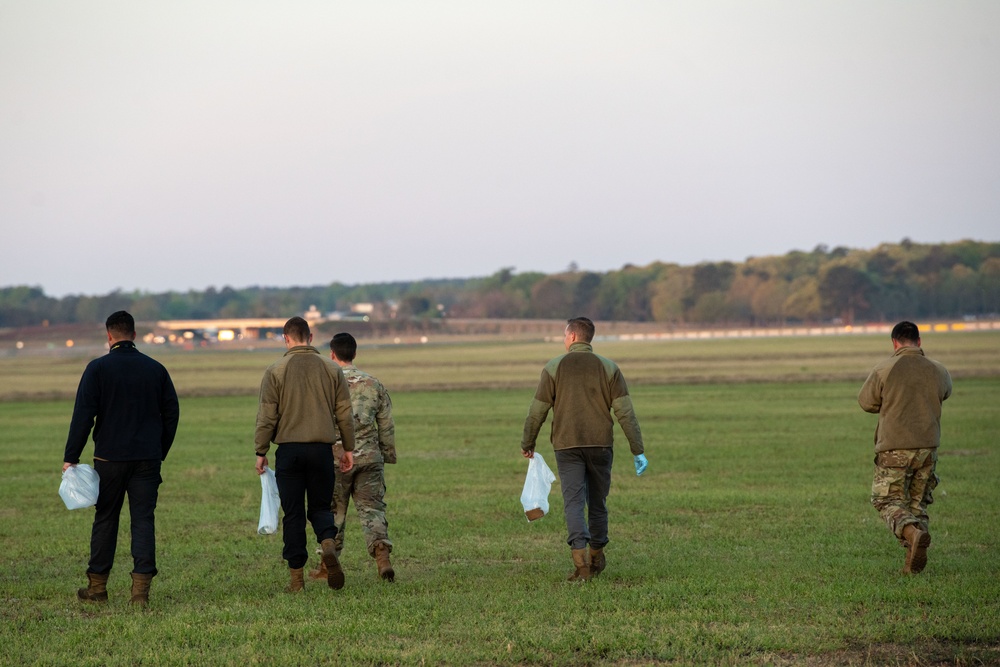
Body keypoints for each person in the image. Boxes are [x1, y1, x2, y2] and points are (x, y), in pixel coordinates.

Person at [63, 310, 180, 606]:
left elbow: (83, 416)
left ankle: (98, 588)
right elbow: (172, 414)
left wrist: (71, 456)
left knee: (105, 519)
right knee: (143, 520)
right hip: (147, 460)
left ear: (109, 336)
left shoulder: (97, 369)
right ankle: (140, 593)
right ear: (135, 335)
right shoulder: (156, 369)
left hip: (109, 459)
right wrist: (159, 450)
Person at [521, 316, 648, 582]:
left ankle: (581, 567)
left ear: (573, 337)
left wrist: (528, 443)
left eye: (565, 335)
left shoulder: (554, 367)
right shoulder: (609, 367)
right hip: (601, 445)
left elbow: (537, 411)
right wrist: (638, 450)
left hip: (567, 446)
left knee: (574, 504)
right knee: (598, 504)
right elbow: (626, 412)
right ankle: (597, 557)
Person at [255, 317, 356, 592]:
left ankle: (296, 580)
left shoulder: (275, 370)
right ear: (310, 337)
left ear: (285, 339)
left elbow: (267, 416)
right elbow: (345, 414)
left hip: (289, 452)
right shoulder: (331, 368)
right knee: (321, 508)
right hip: (322, 450)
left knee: (294, 515)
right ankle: (327, 543)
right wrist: (348, 448)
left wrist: (261, 451)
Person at [859, 320, 952, 574]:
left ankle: (911, 533)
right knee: (917, 504)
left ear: (894, 343)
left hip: (894, 447)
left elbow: (866, 402)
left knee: (885, 500)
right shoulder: (939, 370)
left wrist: (893, 402)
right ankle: (912, 565)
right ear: (919, 342)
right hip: (928, 447)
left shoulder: (884, 369)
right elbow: (945, 392)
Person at [308, 332, 397, 583]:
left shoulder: (325, 384)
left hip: (334, 459)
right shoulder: (373, 384)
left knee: (333, 512)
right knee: (373, 510)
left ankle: (327, 563)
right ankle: (382, 558)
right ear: (355, 354)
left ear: (332, 354)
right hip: (370, 458)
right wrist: (386, 454)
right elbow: (386, 425)